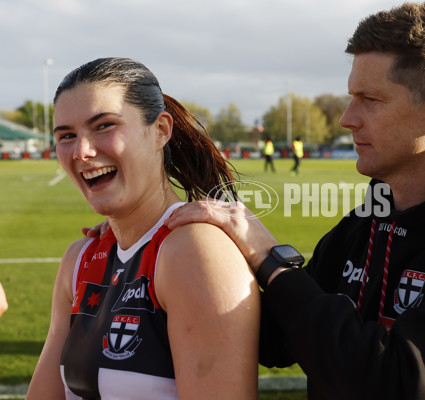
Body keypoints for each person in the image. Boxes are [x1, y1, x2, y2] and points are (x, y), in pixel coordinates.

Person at [162, 3, 425, 399]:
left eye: (371, 99)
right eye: (351, 96)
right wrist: (156, 239)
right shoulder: (368, 222)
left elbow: (396, 385)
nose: (347, 118)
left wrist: (270, 259)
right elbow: (274, 338)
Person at [27, 57, 260, 400]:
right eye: (66, 135)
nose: (82, 151)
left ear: (161, 131)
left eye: (104, 126)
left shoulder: (196, 250)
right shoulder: (79, 259)